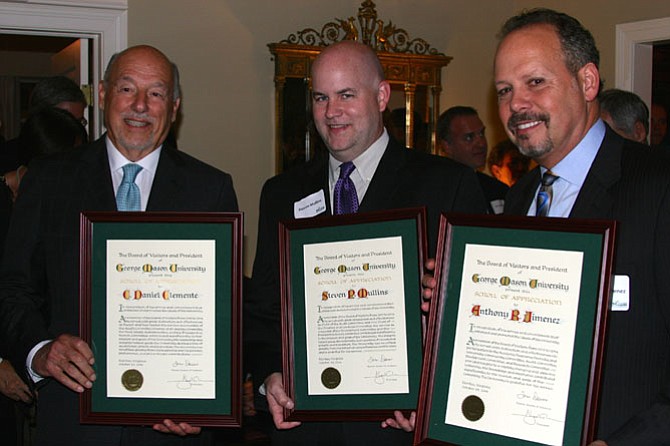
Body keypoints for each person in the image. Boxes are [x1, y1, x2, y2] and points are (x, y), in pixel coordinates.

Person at [244, 40, 487, 446]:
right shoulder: (281, 192)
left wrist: (433, 395)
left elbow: (474, 316)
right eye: (321, 97)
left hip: (398, 428)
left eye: (346, 95)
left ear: (382, 95)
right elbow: (264, 307)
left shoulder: (447, 185)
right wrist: (271, 374)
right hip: (305, 426)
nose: (331, 112)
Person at [0, 45, 238, 446]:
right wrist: (39, 352)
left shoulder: (210, 189)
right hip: (73, 420)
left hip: (173, 427)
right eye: (127, 89)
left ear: (174, 106)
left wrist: (208, 403)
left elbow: (225, 313)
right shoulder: (47, 179)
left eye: (156, 93)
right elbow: (12, 290)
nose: (140, 105)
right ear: (105, 95)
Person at [495, 8, 670, 444]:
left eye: (535, 81)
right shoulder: (519, 199)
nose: (516, 104)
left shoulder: (658, 186)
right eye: (504, 90)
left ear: (587, 82)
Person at [436, 106, 508, 214]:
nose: (481, 143)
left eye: (481, 134)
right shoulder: (436, 191)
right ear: (447, 146)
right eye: (469, 137)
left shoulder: (498, 189)